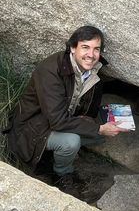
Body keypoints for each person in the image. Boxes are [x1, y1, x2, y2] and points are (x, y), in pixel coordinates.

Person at [5, 25, 128, 196]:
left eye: (96, 49)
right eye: (85, 47)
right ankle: (61, 174)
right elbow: (57, 120)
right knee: (72, 141)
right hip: (32, 128)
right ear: (72, 47)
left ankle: (56, 154)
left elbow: (88, 110)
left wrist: (98, 123)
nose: (91, 55)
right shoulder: (50, 70)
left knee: (98, 137)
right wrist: (98, 128)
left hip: (59, 120)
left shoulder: (94, 72)